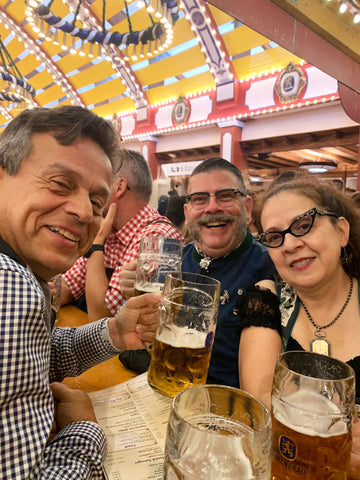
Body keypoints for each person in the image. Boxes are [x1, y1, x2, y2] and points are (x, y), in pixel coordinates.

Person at [0, 106, 161, 479]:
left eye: (96, 202)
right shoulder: (11, 282)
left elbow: (35, 352)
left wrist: (114, 334)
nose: (83, 213)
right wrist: (84, 430)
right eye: (60, 183)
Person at [237, 177, 360, 477]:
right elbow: (261, 407)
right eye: (275, 237)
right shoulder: (266, 300)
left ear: (341, 231)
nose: (290, 244)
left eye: (304, 225)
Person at [120, 157, 276, 387]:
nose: (212, 208)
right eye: (200, 199)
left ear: (247, 207)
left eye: (225, 196)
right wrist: (137, 305)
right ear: (187, 211)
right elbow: (142, 342)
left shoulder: (272, 267)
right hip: (163, 392)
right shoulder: (169, 265)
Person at [60, 148, 183, 322]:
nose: (86, 194)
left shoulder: (156, 237)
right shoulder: (110, 229)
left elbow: (102, 318)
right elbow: (68, 286)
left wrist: (96, 244)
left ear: (119, 187)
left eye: (97, 185)